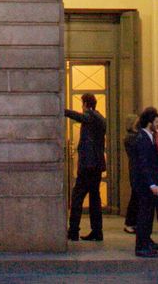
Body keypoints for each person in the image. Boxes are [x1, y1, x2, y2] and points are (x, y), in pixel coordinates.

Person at [64, 91, 107, 241]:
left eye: (82, 104)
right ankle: (97, 231)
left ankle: (73, 230)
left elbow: (81, 117)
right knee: (95, 198)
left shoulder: (91, 116)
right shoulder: (100, 118)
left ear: (86, 104)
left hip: (88, 165)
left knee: (77, 197)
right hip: (96, 165)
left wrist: (63, 111)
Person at [127, 108, 158, 259]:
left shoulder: (149, 136)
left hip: (151, 181)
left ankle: (146, 241)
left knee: (148, 215)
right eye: (156, 122)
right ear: (149, 123)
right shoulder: (142, 138)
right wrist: (151, 184)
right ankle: (141, 246)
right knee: (144, 215)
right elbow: (143, 163)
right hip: (144, 184)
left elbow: (155, 158)